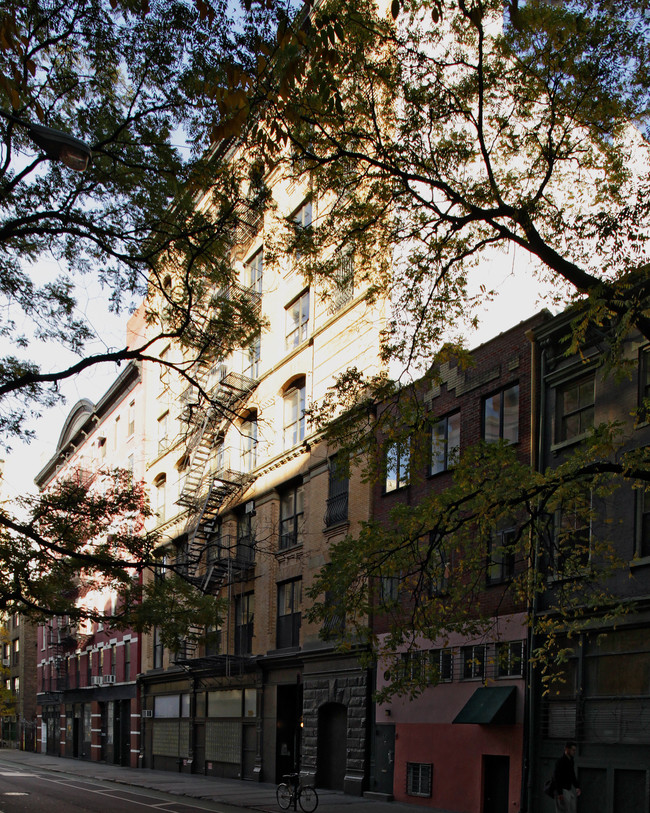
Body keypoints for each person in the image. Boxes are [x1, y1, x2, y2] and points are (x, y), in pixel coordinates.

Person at [552, 741, 581, 812]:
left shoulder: (570, 761)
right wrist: (560, 793)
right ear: (567, 749)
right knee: (563, 810)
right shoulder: (561, 761)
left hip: (568, 789)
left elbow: (572, 774)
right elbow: (557, 777)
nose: (574, 752)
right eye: (573, 750)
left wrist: (577, 786)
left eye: (575, 750)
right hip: (562, 789)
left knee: (571, 809)